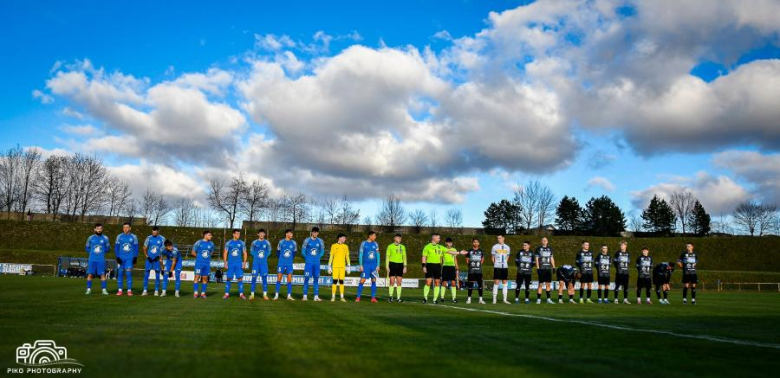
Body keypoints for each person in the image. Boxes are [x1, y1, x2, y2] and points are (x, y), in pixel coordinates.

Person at [85, 223, 110, 295]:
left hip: (101, 259)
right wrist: (92, 253)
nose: (99, 230)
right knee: (90, 274)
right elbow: (87, 248)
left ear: (102, 229)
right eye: (98, 229)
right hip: (92, 259)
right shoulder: (90, 238)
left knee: (102, 275)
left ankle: (104, 290)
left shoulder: (105, 238)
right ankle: (88, 290)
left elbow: (108, 248)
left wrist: (101, 253)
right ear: (94, 229)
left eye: (100, 229)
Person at [115, 222, 139, 296]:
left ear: (130, 228)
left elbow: (136, 248)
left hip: (129, 258)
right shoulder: (119, 236)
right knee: (120, 273)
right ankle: (120, 290)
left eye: (127, 227)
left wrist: (135, 257)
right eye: (124, 227)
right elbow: (116, 248)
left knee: (128, 273)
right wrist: (117, 257)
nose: (125, 229)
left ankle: (129, 290)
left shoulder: (134, 237)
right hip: (121, 258)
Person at [301, 227, 325, 301]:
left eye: (316, 232)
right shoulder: (307, 240)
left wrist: (318, 257)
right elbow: (303, 251)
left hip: (317, 263)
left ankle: (316, 296)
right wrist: (307, 258)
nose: (315, 233)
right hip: (309, 263)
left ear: (318, 233)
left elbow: (322, 251)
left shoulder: (320, 241)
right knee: (306, 279)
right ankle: (305, 296)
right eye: (314, 232)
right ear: (311, 232)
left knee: (316, 279)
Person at [223, 229, 248, 300]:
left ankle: (241, 294)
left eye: (239, 234)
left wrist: (244, 263)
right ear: (233, 234)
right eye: (237, 234)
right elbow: (225, 253)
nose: (238, 235)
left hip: (238, 263)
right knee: (228, 278)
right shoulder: (228, 243)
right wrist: (225, 263)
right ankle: (226, 294)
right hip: (230, 263)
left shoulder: (242, 243)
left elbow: (245, 253)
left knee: (240, 278)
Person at [356, 231, 380, 302]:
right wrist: (361, 265)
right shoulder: (363, 243)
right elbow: (360, 255)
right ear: (370, 236)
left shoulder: (376, 244)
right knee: (362, 280)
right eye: (374, 236)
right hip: (366, 265)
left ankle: (373, 297)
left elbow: (378, 255)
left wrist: (378, 265)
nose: (375, 237)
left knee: (374, 280)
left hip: (374, 265)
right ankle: (358, 297)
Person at [422, 233, 446, 304]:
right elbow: (424, 257)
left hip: (438, 266)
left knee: (437, 283)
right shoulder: (427, 247)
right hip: (429, 265)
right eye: (438, 238)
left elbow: (448, 251)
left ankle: (435, 299)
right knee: (428, 282)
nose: (439, 239)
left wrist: (459, 252)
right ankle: (425, 298)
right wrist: (423, 266)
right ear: (434, 238)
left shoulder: (440, 247)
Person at [142, 226, 165, 296]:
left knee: (157, 274)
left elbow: (164, 249)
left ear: (158, 231)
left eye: (155, 231)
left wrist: (159, 257)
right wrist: (147, 256)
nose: (154, 233)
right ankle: (145, 290)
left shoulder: (162, 238)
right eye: (153, 231)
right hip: (149, 259)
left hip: (157, 259)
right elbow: (144, 247)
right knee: (146, 274)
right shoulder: (149, 238)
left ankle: (156, 291)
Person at [192, 230, 216, 299]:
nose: (211, 236)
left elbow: (212, 251)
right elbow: (193, 252)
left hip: (207, 263)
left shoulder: (211, 244)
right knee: (197, 276)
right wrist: (200, 257)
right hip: (199, 263)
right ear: (205, 235)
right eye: (209, 235)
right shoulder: (198, 243)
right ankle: (196, 293)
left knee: (205, 278)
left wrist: (207, 257)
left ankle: (203, 293)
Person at [275, 229, 297, 301]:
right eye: (290, 233)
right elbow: (277, 252)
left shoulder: (294, 243)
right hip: (281, 263)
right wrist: (281, 259)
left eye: (292, 234)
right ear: (286, 234)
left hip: (289, 263)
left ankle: (289, 296)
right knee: (279, 279)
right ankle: (276, 295)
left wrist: (290, 259)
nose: (292, 235)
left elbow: (294, 253)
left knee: (289, 279)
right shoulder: (281, 242)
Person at [249, 229, 272, 300]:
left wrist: (265, 256)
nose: (262, 235)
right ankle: (252, 294)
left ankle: (265, 295)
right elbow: (251, 251)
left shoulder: (267, 242)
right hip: (255, 263)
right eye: (260, 233)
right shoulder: (254, 242)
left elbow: (269, 251)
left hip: (264, 263)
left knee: (264, 278)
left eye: (263, 233)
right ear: (258, 234)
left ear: (264, 234)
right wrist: (256, 255)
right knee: (253, 278)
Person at [328, 233, 351, 302]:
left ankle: (342, 297)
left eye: (345, 238)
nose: (345, 239)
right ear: (339, 238)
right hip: (335, 266)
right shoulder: (333, 246)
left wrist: (349, 266)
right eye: (344, 238)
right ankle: (333, 297)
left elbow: (347, 256)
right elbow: (331, 256)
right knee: (334, 281)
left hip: (342, 267)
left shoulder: (346, 246)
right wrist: (329, 266)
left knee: (341, 282)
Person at [386, 234, 407, 302]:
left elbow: (404, 257)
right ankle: (390, 296)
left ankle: (398, 298)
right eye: (398, 238)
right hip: (392, 264)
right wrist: (387, 266)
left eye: (400, 238)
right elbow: (387, 257)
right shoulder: (390, 246)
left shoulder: (403, 247)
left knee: (399, 282)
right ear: (394, 238)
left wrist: (405, 266)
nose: (399, 239)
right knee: (392, 281)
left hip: (400, 265)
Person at [463, 238, 485, 304]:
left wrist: (479, 265)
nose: (476, 243)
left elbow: (482, 259)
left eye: (477, 242)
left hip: (479, 271)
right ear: (472, 243)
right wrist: (471, 265)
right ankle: (469, 299)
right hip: (471, 270)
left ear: (479, 243)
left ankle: (480, 299)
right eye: (474, 242)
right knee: (470, 285)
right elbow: (467, 260)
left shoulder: (481, 251)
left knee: (480, 285)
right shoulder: (469, 251)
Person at [535, 237, 556, 304]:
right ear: (541, 241)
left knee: (548, 284)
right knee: (540, 284)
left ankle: (548, 299)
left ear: (547, 241)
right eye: (543, 240)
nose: (544, 241)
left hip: (548, 269)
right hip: (541, 268)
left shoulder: (550, 249)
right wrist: (538, 268)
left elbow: (552, 258)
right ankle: (538, 299)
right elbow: (536, 259)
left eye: (545, 240)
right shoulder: (538, 249)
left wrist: (554, 267)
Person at [491, 235, 511, 304]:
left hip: (505, 267)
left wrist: (504, 263)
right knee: (496, 282)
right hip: (497, 267)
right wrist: (496, 264)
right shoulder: (494, 247)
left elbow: (507, 257)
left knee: (505, 282)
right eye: (497, 238)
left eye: (500, 238)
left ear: (503, 238)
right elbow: (492, 257)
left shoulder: (507, 247)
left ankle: (505, 299)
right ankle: (494, 299)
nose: (498, 239)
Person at [440, 238, 460, 303]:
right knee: (444, 283)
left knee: (453, 283)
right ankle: (442, 297)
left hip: (452, 267)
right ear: (446, 243)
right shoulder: (443, 249)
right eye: (448, 242)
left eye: (451, 243)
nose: (450, 244)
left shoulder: (454, 250)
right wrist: (441, 267)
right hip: (445, 267)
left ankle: (454, 298)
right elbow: (441, 259)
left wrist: (457, 267)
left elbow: (455, 259)